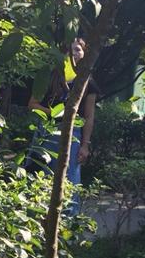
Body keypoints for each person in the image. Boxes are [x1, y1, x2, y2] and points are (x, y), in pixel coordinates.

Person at [27, 37, 98, 214]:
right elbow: (33, 104)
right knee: (39, 175)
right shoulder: (50, 77)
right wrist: (59, 113)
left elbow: (89, 116)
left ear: (84, 53)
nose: (73, 53)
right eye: (69, 50)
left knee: (69, 180)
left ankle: (66, 226)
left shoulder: (88, 82)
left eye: (78, 50)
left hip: (73, 134)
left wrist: (85, 145)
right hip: (47, 131)